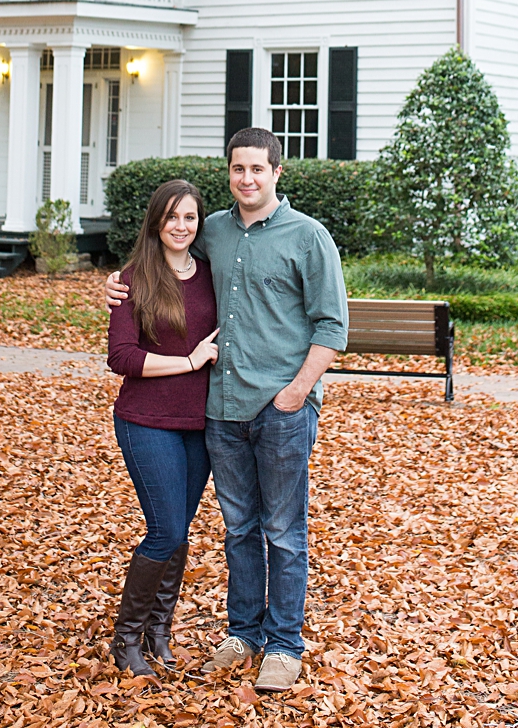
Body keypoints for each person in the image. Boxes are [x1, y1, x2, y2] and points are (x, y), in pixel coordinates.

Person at [106, 127, 348, 693]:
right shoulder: (211, 229)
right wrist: (113, 286)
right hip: (222, 411)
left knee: (284, 531)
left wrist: (296, 393)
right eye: (238, 170)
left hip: (281, 409)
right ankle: (244, 633)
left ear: (276, 173)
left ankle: (284, 644)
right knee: (238, 528)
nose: (247, 179)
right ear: (230, 172)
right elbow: (157, 259)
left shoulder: (308, 237)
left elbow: (333, 326)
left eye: (257, 170)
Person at [105, 178, 220, 678]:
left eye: (189, 217)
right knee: (165, 528)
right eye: (171, 216)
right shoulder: (133, 278)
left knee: (179, 532)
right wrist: (190, 361)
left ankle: (158, 630)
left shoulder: (213, 275)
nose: (181, 226)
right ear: (156, 221)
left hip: (200, 424)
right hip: (145, 420)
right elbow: (121, 357)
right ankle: (126, 639)